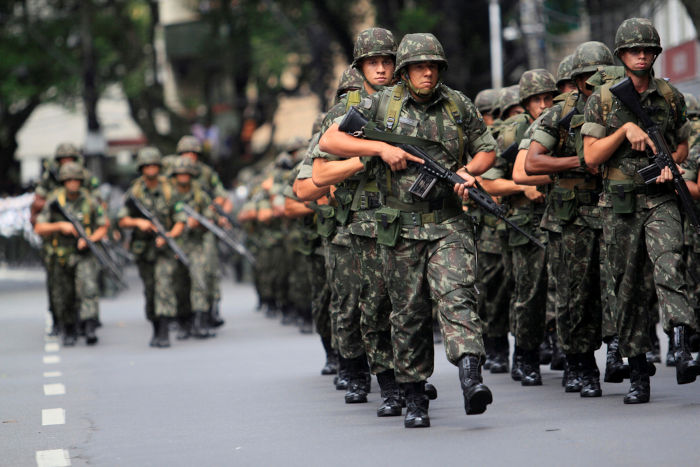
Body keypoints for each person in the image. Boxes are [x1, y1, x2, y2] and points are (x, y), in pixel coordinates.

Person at [320, 32, 496, 428]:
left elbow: (487, 148)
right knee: (408, 314)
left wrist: (467, 173)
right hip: (400, 229)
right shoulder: (380, 103)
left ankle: (471, 377)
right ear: (405, 71)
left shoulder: (457, 104)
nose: (427, 72)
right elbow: (332, 138)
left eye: (433, 65)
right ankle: (414, 395)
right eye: (419, 66)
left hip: (448, 222)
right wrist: (380, 149)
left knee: (458, 298)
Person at [582, 18, 700, 403]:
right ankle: (637, 371)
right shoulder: (601, 99)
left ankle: (681, 342)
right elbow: (590, 158)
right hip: (619, 205)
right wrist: (623, 132)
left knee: (671, 265)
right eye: (634, 50)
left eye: (648, 50)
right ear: (621, 55)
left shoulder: (669, 96)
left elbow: (682, 145)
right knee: (626, 286)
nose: (641, 55)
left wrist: (673, 164)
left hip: (660, 197)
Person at [521, 41, 616, 396]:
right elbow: (532, 163)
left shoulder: (624, 108)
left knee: (620, 286)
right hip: (572, 216)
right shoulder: (560, 113)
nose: (596, 86)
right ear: (576, 82)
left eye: (603, 79)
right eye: (589, 81)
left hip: (615, 209)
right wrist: (580, 161)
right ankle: (581, 364)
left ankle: (623, 352)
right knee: (577, 294)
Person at [311, 28, 399, 406]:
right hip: (362, 223)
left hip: (410, 218)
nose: (380, 69)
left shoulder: (414, 106)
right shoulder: (342, 115)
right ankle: (363, 373)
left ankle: (408, 374)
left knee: (409, 303)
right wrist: (365, 156)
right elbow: (317, 176)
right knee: (363, 303)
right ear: (361, 66)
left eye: (386, 61)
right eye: (372, 62)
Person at [480, 69, 558, 386]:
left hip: (562, 217)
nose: (543, 104)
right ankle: (524, 356)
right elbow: (488, 181)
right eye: (536, 99)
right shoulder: (514, 131)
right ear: (525, 103)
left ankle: (571, 353)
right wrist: (521, 187)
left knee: (566, 290)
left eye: (548, 97)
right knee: (529, 293)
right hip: (525, 224)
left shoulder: (564, 124)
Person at [117, 147, 185, 347]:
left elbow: (180, 219)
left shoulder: (169, 190)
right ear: (142, 168)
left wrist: (169, 236)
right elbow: (121, 220)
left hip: (164, 248)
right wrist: (138, 223)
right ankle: (155, 327)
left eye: (154, 165)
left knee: (164, 286)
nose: (151, 169)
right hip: (143, 249)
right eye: (147, 165)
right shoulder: (135, 192)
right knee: (150, 290)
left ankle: (164, 331)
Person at [34, 162, 108, 346]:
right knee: (64, 293)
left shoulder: (89, 200)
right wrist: (60, 226)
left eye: (76, 180)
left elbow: (103, 225)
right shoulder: (54, 201)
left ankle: (89, 325)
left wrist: (89, 239)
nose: (73, 183)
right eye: (69, 180)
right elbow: (39, 227)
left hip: (84, 252)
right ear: (63, 181)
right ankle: (68, 329)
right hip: (61, 255)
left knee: (88, 287)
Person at [176, 135, 233, 328]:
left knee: (210, 268)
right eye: (185, 152)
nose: (189, 156)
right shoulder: (173, 172)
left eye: (193, 153)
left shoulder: (206, 173)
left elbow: (221, 195)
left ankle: (211, 309)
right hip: (179, 226)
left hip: (204, 226)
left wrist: (210, 210)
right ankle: (183, 314)